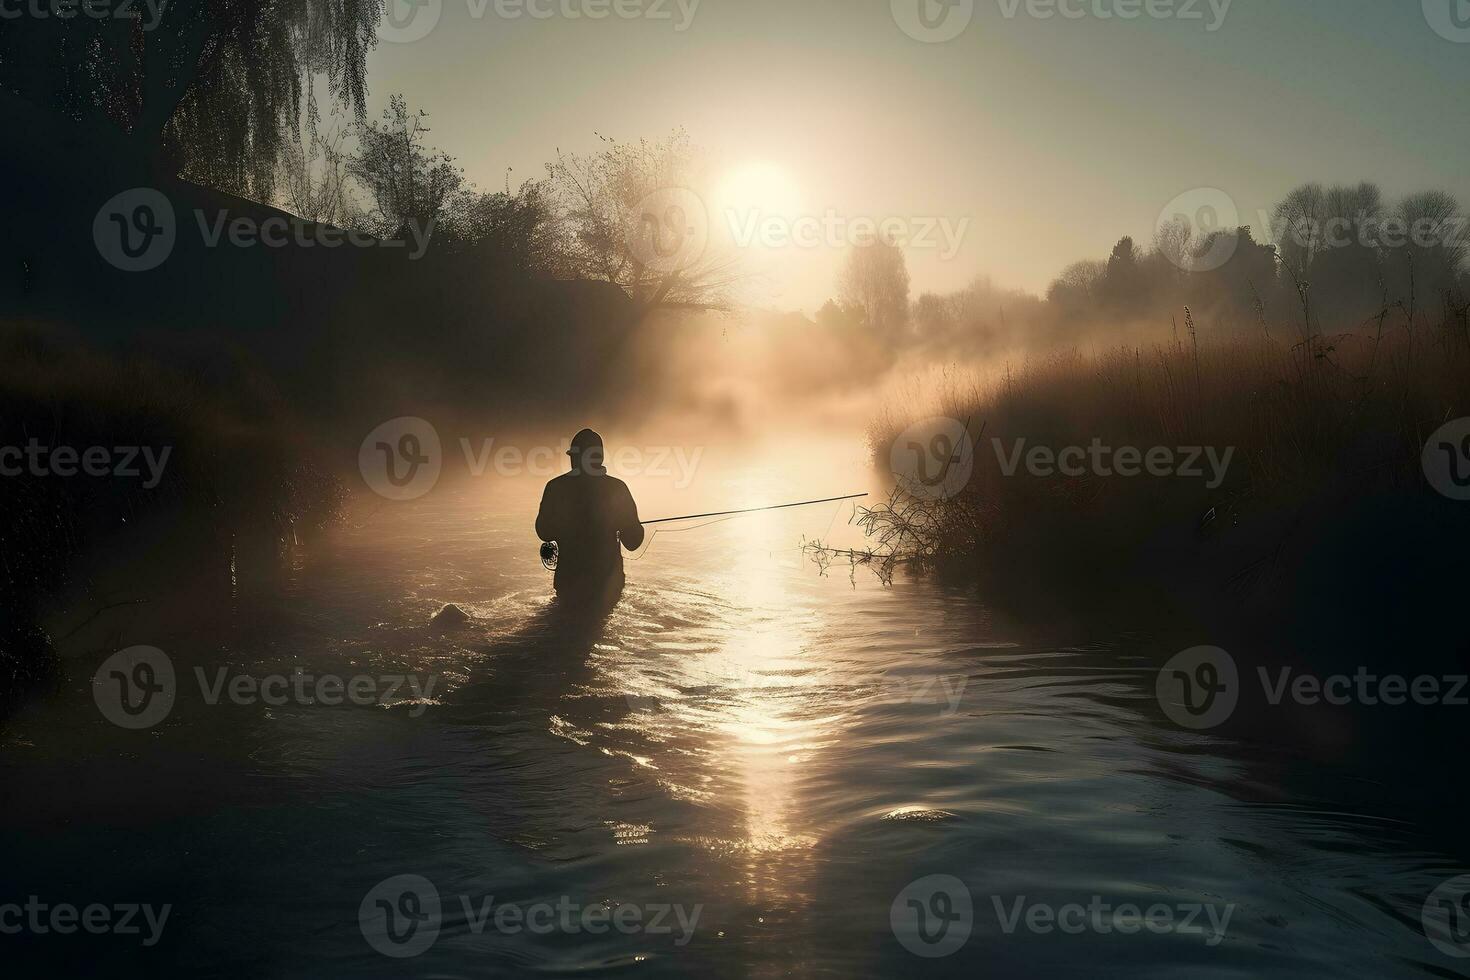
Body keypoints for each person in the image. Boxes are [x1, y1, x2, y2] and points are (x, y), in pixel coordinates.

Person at [535, 429, 644, 604]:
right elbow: (633, 542)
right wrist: (622, 523)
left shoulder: (556, 487)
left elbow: (543, 532)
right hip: (606, 585)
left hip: (569, 582)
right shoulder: (617, 488)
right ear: (599, 458)